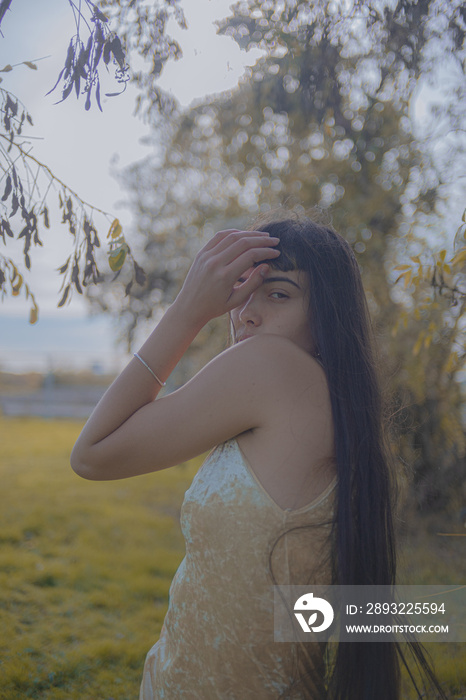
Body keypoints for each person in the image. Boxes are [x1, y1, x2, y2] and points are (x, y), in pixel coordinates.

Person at [71, 211, 445, 700]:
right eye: (241, 292)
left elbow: (92, 454)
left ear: (326, 317)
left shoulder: (269, 366)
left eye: (278, 293)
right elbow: (328, 603)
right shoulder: (345, 410)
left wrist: (188, 309)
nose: (245, 312)